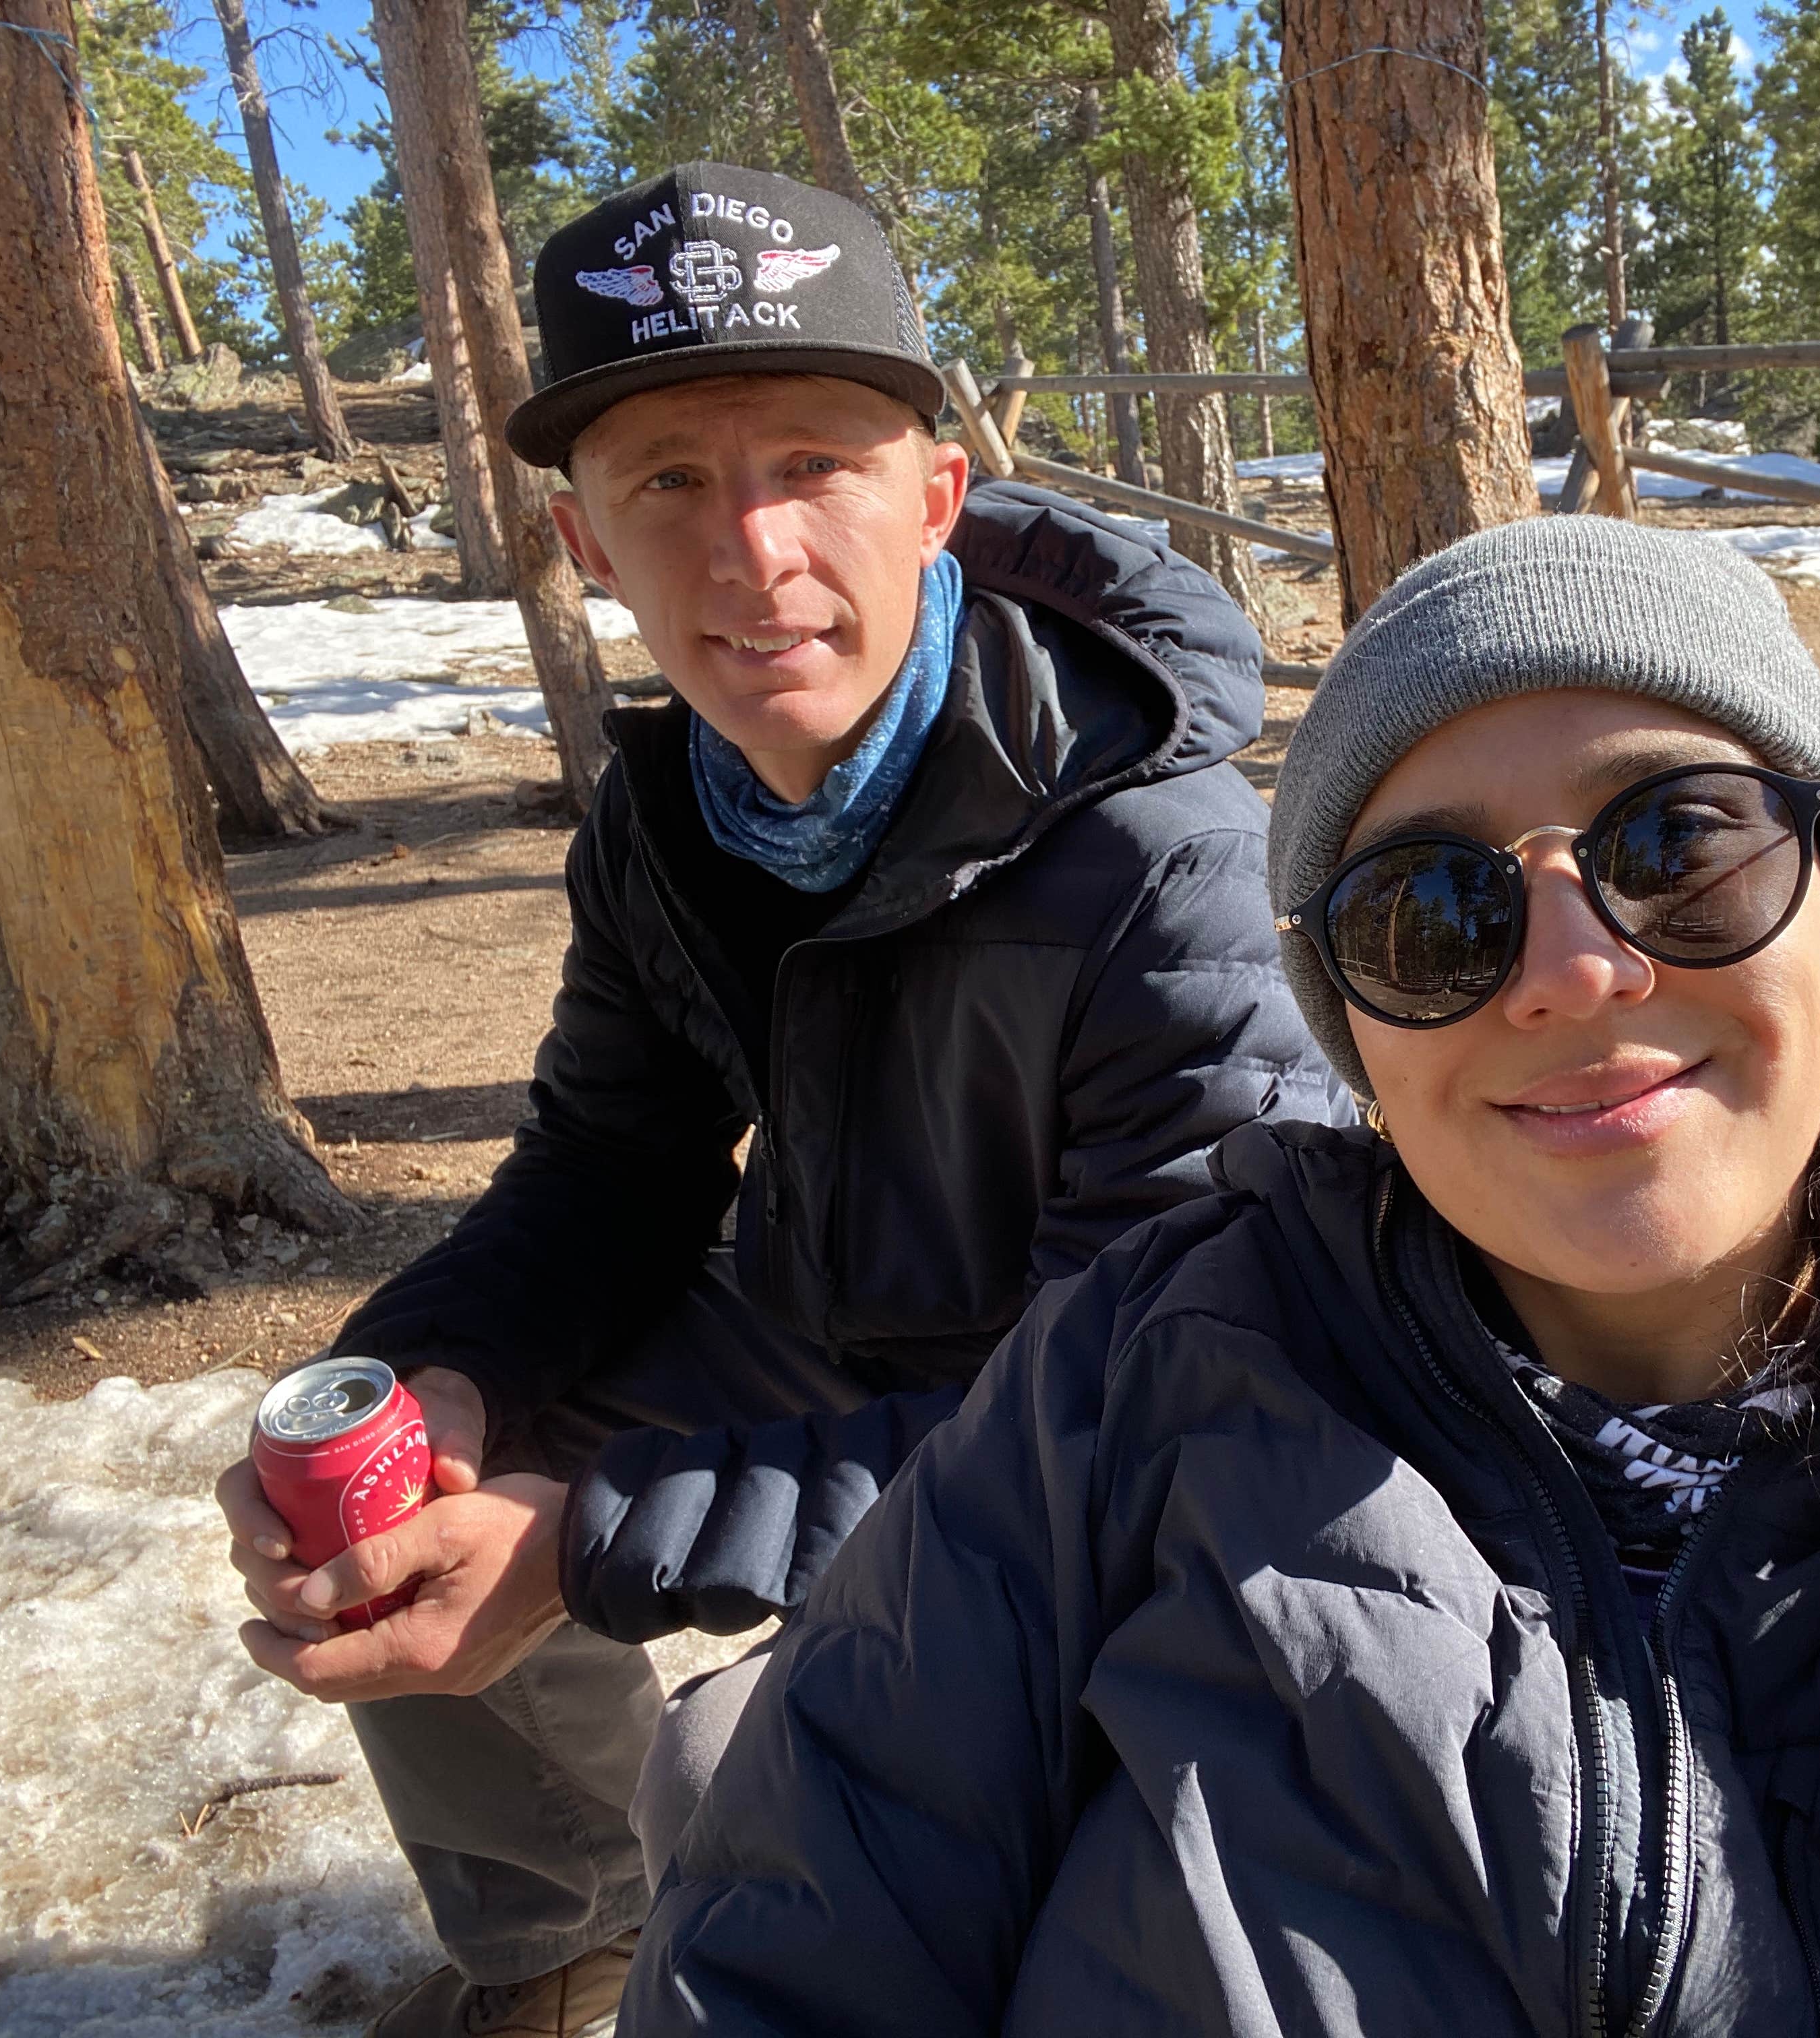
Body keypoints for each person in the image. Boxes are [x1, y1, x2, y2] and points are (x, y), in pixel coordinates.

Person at [626, 514, 1820, 2036]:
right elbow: (798, 1938)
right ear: (1364, 1050)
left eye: (1675, 846)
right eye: (1427, 912)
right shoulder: (1132, 1385)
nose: (1566, 968)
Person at [213, 162, 1348, 2038]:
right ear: (584, 545)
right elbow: (610, 1157)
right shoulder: (668, 811)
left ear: (937, 498)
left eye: (813, 461)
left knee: (773, 1756)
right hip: (820, 1314)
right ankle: (562, 1936)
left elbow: (1164, 1402)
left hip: (1119, 1412)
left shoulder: (1159, 850)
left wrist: (588, 1539)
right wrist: (443, 1374)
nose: (749, 549)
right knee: (415, 1498)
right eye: (670, 480)